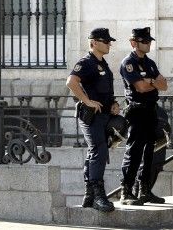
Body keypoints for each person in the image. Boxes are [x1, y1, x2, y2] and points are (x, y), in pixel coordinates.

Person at [66, 27, 119, 212]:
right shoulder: (86, 62)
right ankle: (98, 195)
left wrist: (113, 103)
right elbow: (71, 82)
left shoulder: (102, 63)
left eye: (109, 41)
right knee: (99, 150)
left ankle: (89, 195)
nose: (109, 44)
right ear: (94, 43)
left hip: (104, 114)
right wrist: (87, 101)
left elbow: (104, 88)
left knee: (94, 152)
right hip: (91, 116)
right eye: (106, 41)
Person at [119, 27, 168, 205]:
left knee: (150, 151)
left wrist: (151, 82)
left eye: (149, 41)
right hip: (137, 111)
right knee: (134, 151)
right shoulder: (128, 63)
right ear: (134, 43)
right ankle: (126, 190)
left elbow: (164, 85)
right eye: (144, 41)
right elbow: (140, 87)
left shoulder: (150, 63)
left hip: (150, 110)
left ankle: (144, 190)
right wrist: (153, 82)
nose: (148, 44)